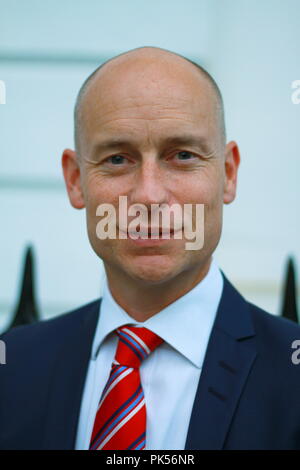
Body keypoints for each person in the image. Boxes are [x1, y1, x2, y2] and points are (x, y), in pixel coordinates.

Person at [1, 46, 300, 450]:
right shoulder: (12, 368)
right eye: (117, 159)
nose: (149, 195)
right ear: (75, 180)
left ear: (227, 174)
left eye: (182, 155)